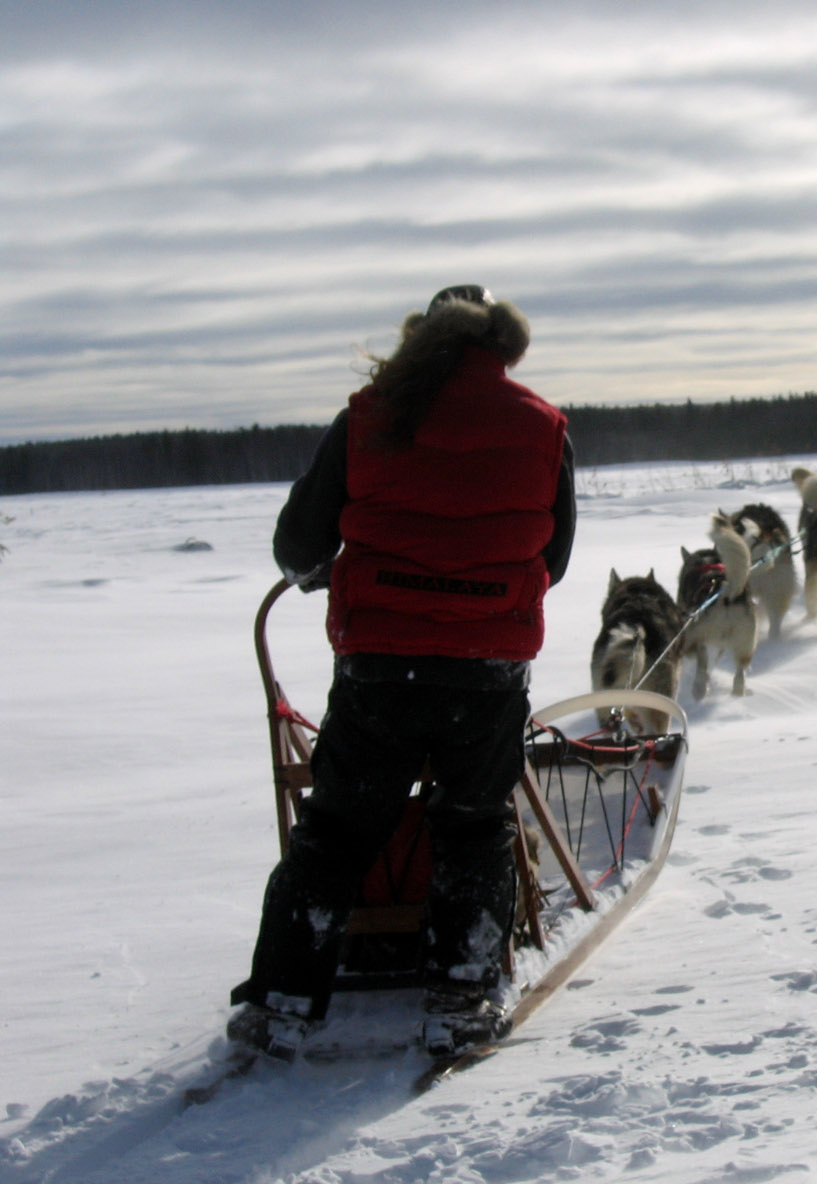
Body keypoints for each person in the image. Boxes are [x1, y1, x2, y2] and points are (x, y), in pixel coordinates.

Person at [228, 285, 575, 1060]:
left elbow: (301, 545)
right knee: (475, 825)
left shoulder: (369, 415)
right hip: (486, 668)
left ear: (421, 337)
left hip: (381, 667)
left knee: (336, 828)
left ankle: (285, 998)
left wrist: (331, 576)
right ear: (502, 346)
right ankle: (460, 996)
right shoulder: (544, 426)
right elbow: (551, 557)